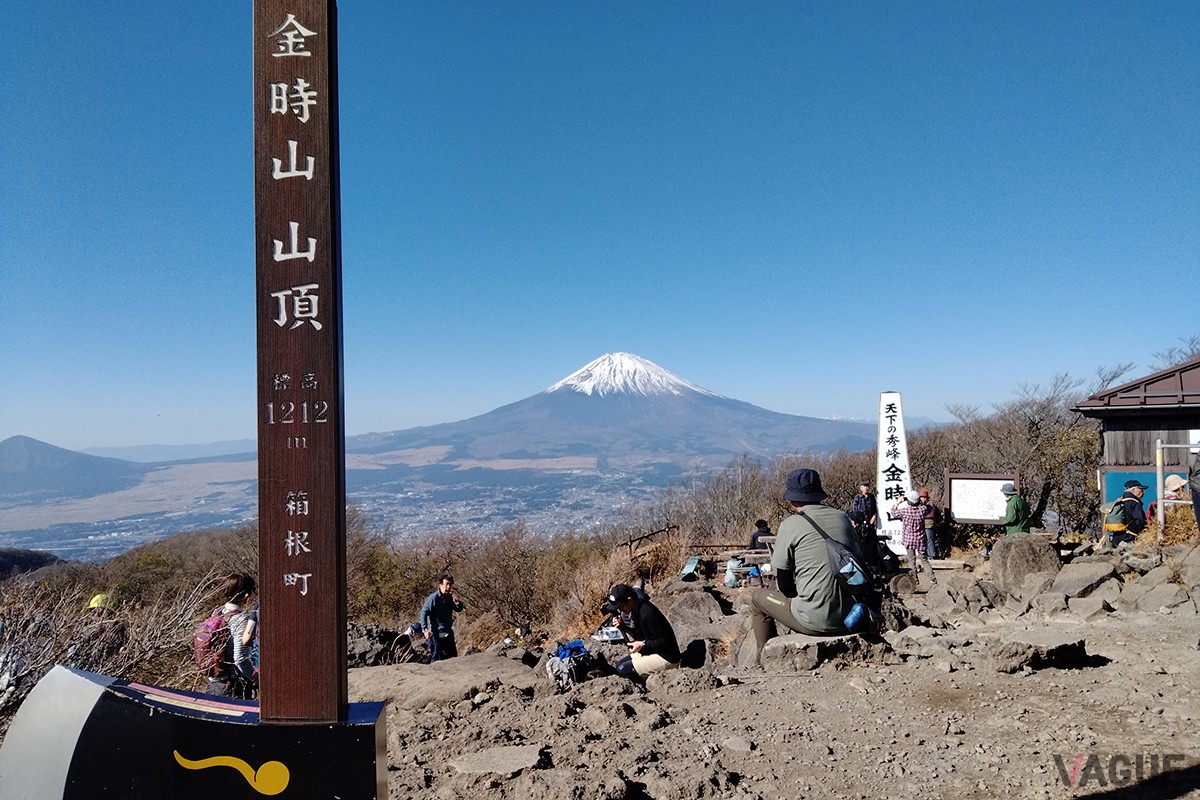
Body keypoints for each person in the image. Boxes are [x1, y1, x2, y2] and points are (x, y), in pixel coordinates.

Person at [749, 468, 865, 658]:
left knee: (758, 598)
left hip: (813, 620)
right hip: (849, 617)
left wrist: (802, 598)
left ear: (792, 498)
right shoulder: (843, 518)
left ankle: (764, 658)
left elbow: (785, 585)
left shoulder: (790, 525)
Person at [603, 583, 679, 680]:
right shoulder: (636, 609)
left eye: (621, 607)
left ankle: (645, 688)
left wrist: (643, 645)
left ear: (629, 600)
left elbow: (665, 642)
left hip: (667, 658)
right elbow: (639, 636)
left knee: (623, 670)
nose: (620, 611)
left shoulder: (647, 613)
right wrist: (624, 627)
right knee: (619, 665)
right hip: (654, 651)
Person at [208, 573, 258, 699]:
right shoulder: (240, 619)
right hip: (233, 685)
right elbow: (240, 658)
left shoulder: (218, 612)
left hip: (214, 681)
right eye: (253, 591)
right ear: (247, 595)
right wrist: (256, 678)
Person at [71, 593, 128, 673]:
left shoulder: (118, 628)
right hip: (83, 669)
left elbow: (123, 649)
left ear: (109, 612)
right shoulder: (85, 627)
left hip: (106, 670)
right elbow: (73, 652)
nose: (96, 615)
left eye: (99, 611)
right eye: (93, 611)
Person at [891, 490, 937, 587]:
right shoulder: (923, 510)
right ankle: (933, 579)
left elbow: (893, 512)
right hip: (920, 539)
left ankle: (915, 581)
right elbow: (929, 508)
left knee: (912, 561)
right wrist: (921, 501)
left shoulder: (905, 511)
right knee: (924, 560)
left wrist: (898, 502)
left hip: (909, 539)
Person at [421, 573, 464, 662]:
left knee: (452, 658)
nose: (448, 587)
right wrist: (425, 629)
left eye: (450, 584)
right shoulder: (433, 598)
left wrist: (457, 603)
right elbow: (424, 613)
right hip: (436, 633)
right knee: (436, 659)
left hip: (448, 632)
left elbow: (458, 609)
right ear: (441, 585)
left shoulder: (450, 597)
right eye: (446, 584)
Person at [1107, 479, 1148, 547]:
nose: (1143, 492)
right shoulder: (1134, 503)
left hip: (1116, 540)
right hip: (1129, 540)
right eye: (1141, 489)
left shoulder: (1120, 502)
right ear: (1133, 490)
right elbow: (1140, 521)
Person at [917, 489, 939, 559]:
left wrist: (921, 514)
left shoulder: (930, 504)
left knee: (930, 540)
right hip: (920, 525)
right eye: (921, 497)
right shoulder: (918, 505)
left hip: (929, 525)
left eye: (924, 497)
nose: (923, 498)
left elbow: (931, 514)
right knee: (922, 541)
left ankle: (932, 555)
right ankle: (924, 555)